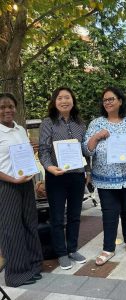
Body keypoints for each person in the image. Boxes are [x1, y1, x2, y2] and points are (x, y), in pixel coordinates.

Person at [83, 87, 126, 266]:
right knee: (109, 212)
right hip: (105, 178)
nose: (108, 102)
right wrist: (96, 137)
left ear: (120, 101)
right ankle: (108, 248)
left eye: (111, 99)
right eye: (105, 100)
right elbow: (86, 150)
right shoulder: (96, 123)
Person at [39, 87, 88, 270]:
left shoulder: (80, 124)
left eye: (67, 97)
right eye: (60, 98)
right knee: (58, 217)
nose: (64, 101)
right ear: (54, 101)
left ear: (73, 101)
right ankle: (61, 253)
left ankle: (72, 249)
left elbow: (84, 151)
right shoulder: (48, 123)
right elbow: (43, 150)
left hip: (76, 175)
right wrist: (50, 167)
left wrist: (87, 171)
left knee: (75, 215)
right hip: (56, 176)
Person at [0, 93, 43, 287]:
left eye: (10, 106)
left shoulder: (19, 129)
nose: (7, 110)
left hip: (25, 183)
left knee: (30, 224)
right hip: (7, 185)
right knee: (12, 229)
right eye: (2, 107)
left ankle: (33, 265)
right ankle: (16, 274)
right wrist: (13, 179)